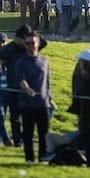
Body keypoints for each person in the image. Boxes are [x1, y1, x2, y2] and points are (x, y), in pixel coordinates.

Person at [15, 30, 53, 163]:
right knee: (28, 134)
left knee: (44, 134)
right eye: (27, 43)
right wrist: (27, 89)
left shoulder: (44, 61)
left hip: (43, 103)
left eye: (32, 43)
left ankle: (43, 157)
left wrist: (50, 98)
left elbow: (47, 82)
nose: (30, 45)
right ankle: (29, 158)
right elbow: (21, 81)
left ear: (38, 43)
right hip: (27, 104)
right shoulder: (21, 62)